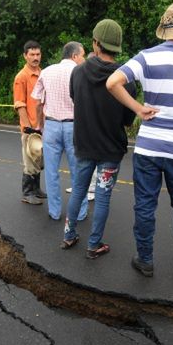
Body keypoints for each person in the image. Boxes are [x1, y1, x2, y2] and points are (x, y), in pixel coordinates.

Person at [107, 3, 173, 275]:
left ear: (165, 30)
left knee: (145, 204)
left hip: (149, 147)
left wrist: (138, 108)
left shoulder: (146, 57)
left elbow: (112, 83)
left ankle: (145, 260)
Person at [61, 19, 137, 259]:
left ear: (95, 44)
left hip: (84, 144)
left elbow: (75, 99)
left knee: (79, 191)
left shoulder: (78, 71)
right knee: (102, 197)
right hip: (111, 149)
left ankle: (69, 235)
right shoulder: (125, 77)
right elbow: (128, 118)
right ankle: (94, 245)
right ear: (117, 47)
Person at [31, 42, 87, 221]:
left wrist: (40, 126)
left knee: (51, 172)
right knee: (78, 171)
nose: (84, 59)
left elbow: (38, 102)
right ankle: (80, 212)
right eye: (83, 55)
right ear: (74, 56)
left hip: (51, 126)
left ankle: (54, 212)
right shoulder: (81, 72)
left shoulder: (46, 71)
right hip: (74, 126)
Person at [13, 40, 45, 205]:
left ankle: (36, 189)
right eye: (32, 54)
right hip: (30, 128)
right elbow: (19, 104)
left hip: (42, 126)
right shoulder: (22, 77)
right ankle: (27, 193)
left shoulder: (42, 73)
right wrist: (28, 128)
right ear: (25, 56)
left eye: (38, 54)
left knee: (38, 159)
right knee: (29, 160)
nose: (35, 57)